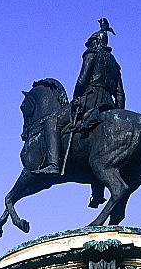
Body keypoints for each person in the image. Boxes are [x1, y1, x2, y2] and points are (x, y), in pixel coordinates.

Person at [37, 20, 125, 176]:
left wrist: (76, 98)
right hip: (108, 104)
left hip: (90, 100)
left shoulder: (91, 55)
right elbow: (120, 93)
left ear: (96, 42)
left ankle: (53, 164)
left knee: (52, 121)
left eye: (91, 42)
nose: (89, 46)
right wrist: (118, 112)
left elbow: (82, 80)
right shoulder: (114, 63)